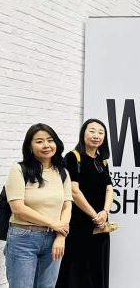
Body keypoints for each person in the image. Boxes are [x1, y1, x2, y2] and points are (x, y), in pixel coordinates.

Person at [3, 123, 72, 288]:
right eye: (39, 141)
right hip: (23, 238)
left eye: (50, 140)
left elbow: (67, 206)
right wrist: (53, 223)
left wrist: (61, 236)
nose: (46, 145)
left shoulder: (63, 172)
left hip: (54, 238)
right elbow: (18, 208)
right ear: (30, 146)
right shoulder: (19, 169)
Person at [56, 119, 113, 288]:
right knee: (77, 269)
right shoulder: (73, 157)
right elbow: (74, 191)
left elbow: (109, 189)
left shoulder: (102, 161)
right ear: (83, 133)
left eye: (101, 132)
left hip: (100, 225)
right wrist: (95, 215)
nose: (96, 136)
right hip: (79, 224)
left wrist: (105, 212)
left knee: (97, 268)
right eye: (92, 131)